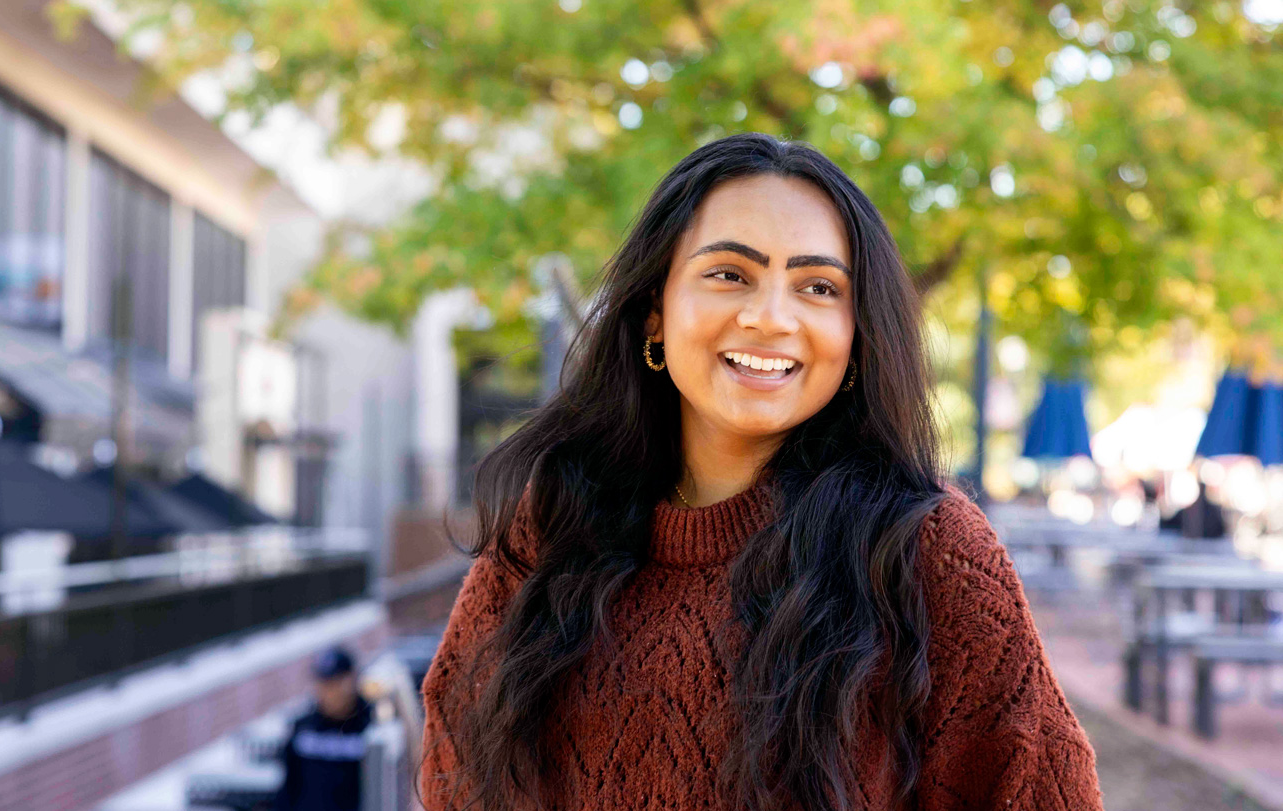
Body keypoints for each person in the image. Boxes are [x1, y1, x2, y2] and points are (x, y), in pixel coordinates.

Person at [418, 134, 1102, 811]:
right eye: (729, 273)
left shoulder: (924, 548)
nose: (770, 317)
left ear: (856, 334)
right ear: (655, 312)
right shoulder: (553, 524)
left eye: (817, 286)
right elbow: (455, 768)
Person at [276, 645, 374, 811]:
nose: (329, 692)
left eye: (335, 683)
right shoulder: (303, 728)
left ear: (352, 679)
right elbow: (289, 787)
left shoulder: (373, 727)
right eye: (323, 683)